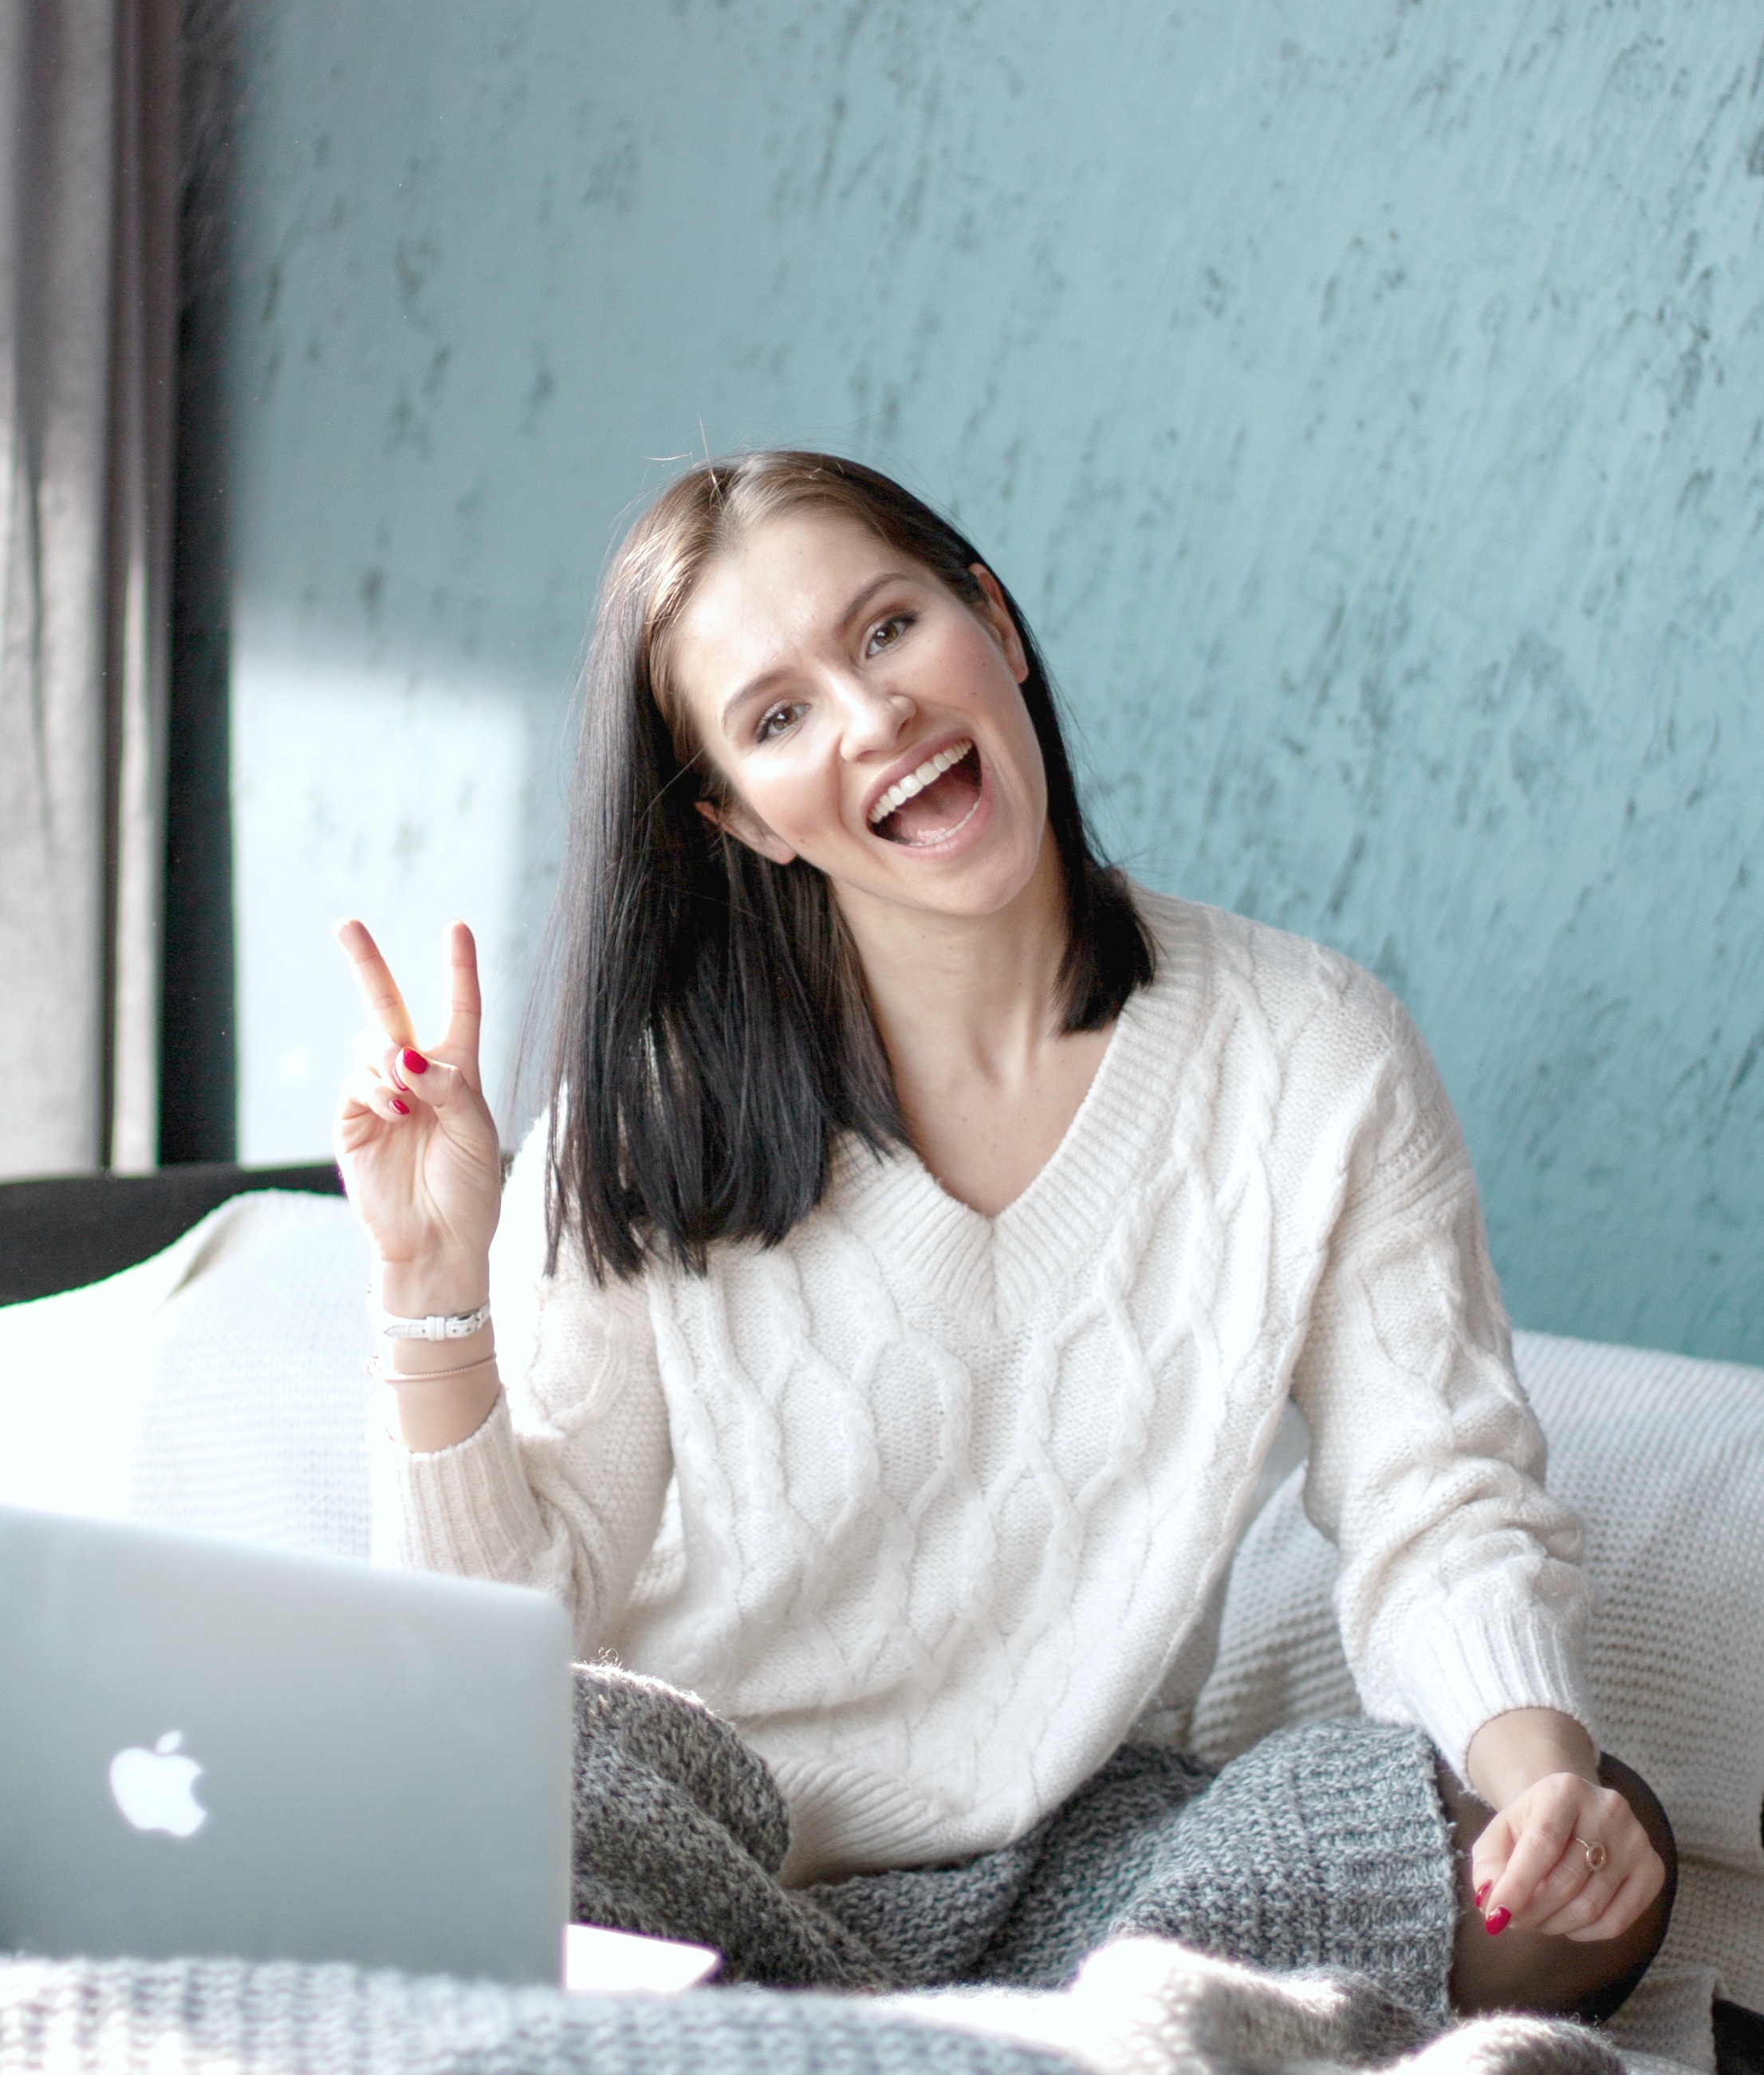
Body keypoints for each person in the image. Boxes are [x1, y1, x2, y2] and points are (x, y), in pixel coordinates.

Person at [333, 449, 1671, 2025]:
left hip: (1080, 1860)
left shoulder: (1315, 1054)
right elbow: (502, 1642)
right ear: (737, 817)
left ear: (991, 620)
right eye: (777, 717)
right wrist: (432, 1295)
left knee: (1597, 1868)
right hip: (701, 1833)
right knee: (461, 1800)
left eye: (887, 629)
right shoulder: (657, 1114)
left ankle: (857, 2043)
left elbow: (1430, 1501)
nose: (869, 713)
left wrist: (1538, 1780)